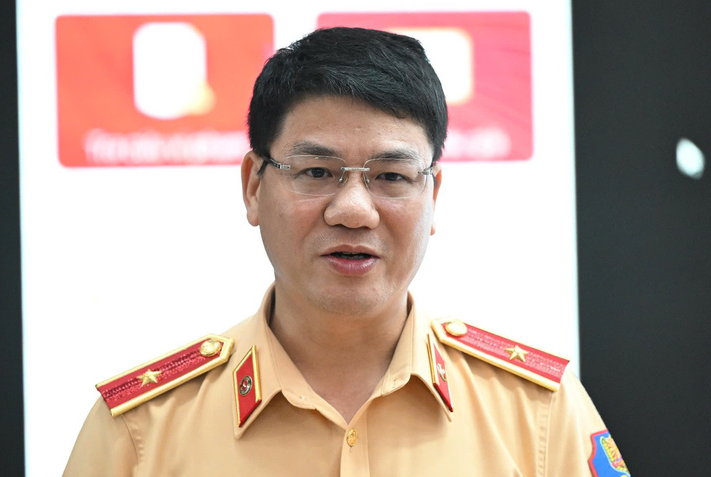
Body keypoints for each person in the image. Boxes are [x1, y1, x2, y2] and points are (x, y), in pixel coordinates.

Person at [64, 27, 629, 476]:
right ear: (254, 186)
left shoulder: (540, 414)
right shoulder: (141, 434)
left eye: (391, 176)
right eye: (316, 171)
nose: (354, 210)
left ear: (433, 195)